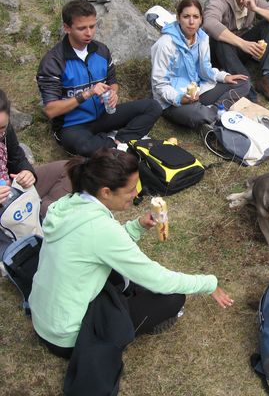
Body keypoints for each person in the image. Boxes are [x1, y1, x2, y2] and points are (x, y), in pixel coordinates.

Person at [29, 148, 233, 359]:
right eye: (130, 190)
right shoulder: (101, 230)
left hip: (44, 317)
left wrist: (137, 226)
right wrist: (208, 283)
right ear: (106, 192)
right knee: (172, 299)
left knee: (124, 280)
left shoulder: (70, 203)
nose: (136, 194)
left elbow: (96, 247)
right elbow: (158, 280)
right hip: (67, 338)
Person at [36, 0, 162, 157]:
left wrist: (114, 93)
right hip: (73, 125)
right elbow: (51, 110)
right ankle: (118, 144)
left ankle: (118, 142)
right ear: (67, 28)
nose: (89, 33)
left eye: (92, 26)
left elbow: (113, 83)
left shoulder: (101, 50)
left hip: (104, 115)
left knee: (153, 107)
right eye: (82, 28)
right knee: (83, 146)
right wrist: (87, 94)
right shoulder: (53, 61)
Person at [151, 0, 250, 133]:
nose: (191, 22)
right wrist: (180, 98)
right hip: (172, 101)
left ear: (201, 19)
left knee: (243, 83)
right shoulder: (165, 44)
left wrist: (223, 77)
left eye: (195, 17)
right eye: (186, 16)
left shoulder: (202, 38)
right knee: (197, 115)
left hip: (198, 91)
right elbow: (159, 85)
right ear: (179, 18)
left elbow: (206, 70)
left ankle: (214, 112)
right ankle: (212, 115)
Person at [0, 89, 70, 220]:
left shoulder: (5, 129)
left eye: (2, 127)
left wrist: (27, 172)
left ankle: (43, 216)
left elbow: (16, 157)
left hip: (13, 189)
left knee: (68, 168)